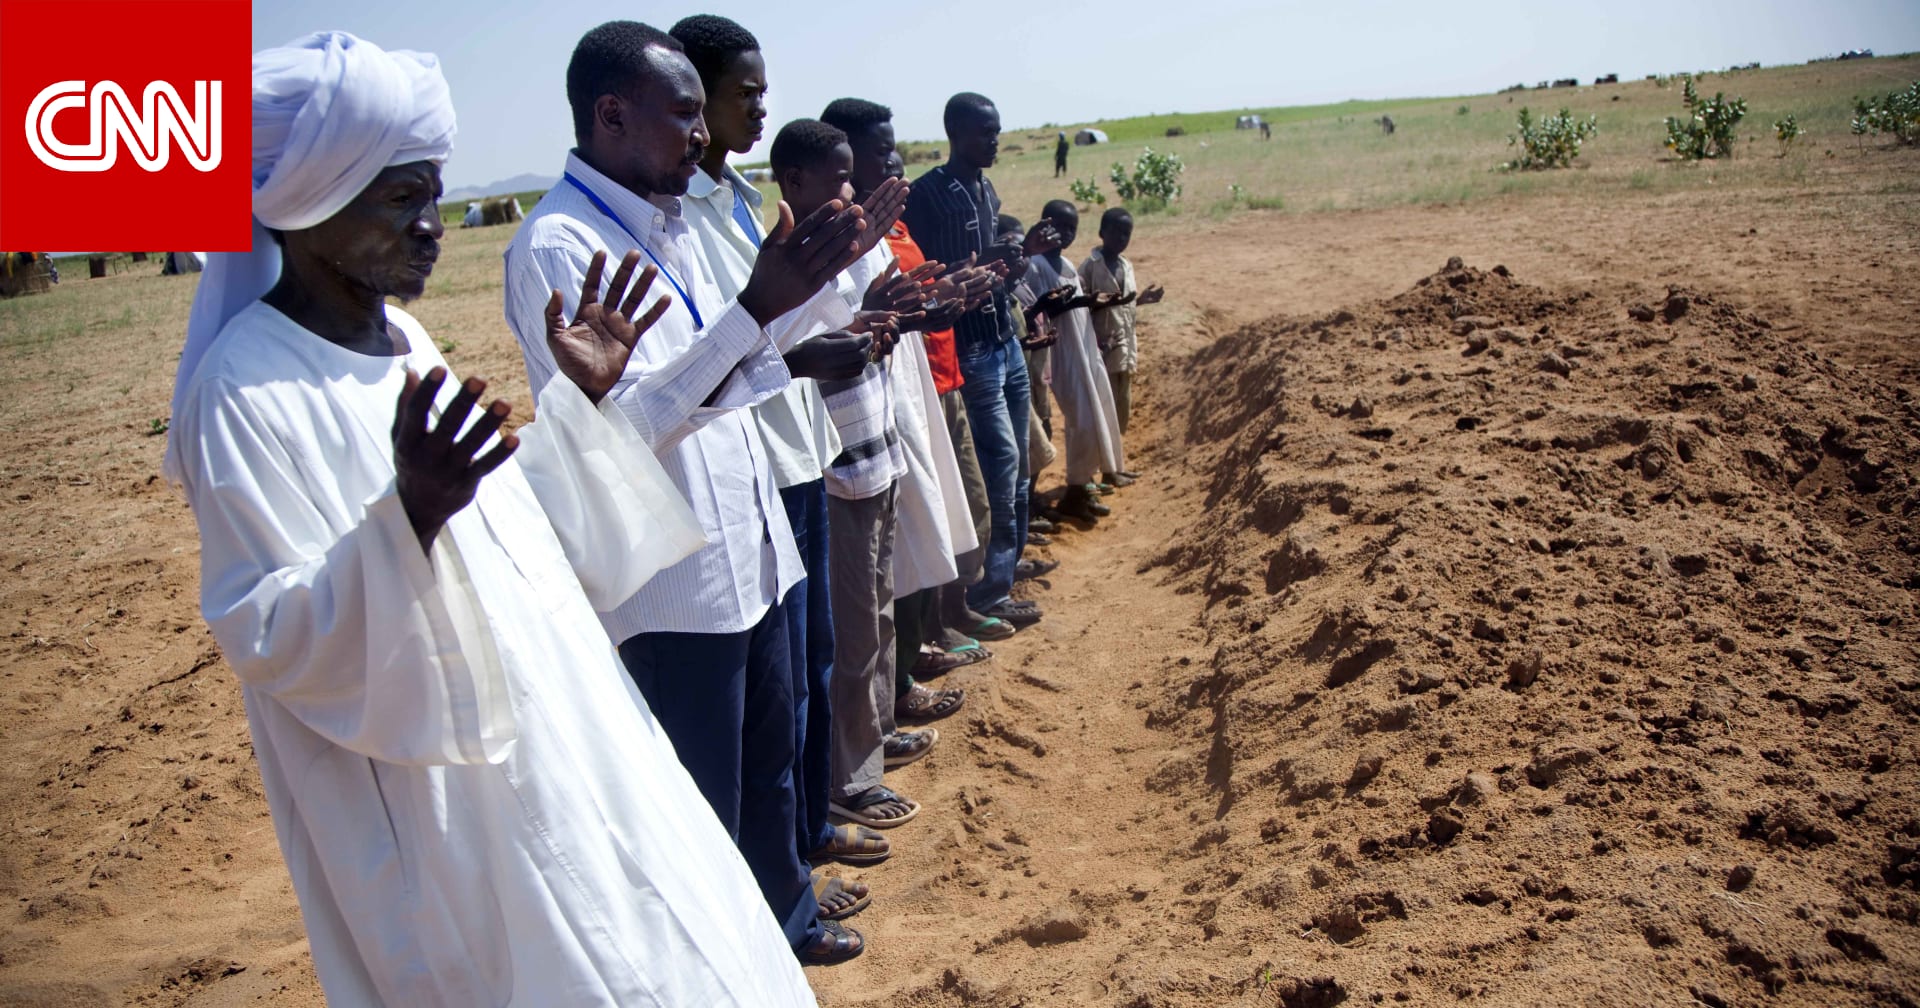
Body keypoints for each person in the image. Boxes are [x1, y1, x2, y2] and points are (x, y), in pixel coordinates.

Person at [163, 31, 816, 1005]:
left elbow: (518, 542)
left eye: (434, 192)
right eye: (402, 198)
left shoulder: (404, 338)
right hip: (442, 796)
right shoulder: (244, 387)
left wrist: (580, 412)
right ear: (308, 205)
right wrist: (406, 522)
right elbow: (272, 635)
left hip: (566, 729)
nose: (433, 223)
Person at [503, 20, 881, 966]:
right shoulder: (558, 246)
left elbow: (738, 369)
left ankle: (780, 928)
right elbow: (616, 433)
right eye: (683, 115)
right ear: (611, 115)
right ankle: (717, 964)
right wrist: (758, 311)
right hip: (673, 583)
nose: (702, 135)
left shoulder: (669, 221)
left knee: (770, 771)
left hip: (751, 544)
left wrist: (795, 295)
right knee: (701, 793)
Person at [667, 13, 887, 921]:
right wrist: (804, 349)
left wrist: (861, 314)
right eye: (742, 95)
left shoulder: (740, 202)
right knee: (763, 706)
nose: (759, 109)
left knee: (803, 675)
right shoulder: (681, 215)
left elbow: (770, 327)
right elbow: (734, 345)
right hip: (747, 464)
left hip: (788, 453)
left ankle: (797, 851)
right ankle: (777, 892)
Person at [769, 117, 937, 831]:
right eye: (838, 177)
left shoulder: (853, 252)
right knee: (848, 632)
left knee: (877, 609)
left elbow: (873, 329)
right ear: (794, 182)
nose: (850, 189)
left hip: (875, 443)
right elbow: (785, 350)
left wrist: (903, 308)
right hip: (833, 463)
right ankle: (849, 778)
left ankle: (872, 740)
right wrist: (866, 312)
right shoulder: (783, 261)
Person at [820, 98, 988, 717]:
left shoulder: (886, 226)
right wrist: (921, 307)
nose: (893, 158)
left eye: (895, 146)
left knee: (921, 531)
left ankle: (908, 669)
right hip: (869, 414)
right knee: (889, 560)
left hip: (913, 387)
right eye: (878, 149)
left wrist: (937, 300)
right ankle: (893, 693)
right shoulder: (839, 233)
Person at [900, 93, 1056, 630]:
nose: (993, 141)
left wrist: (1017, 259)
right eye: (983, 132)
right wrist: (977, 268)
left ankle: (1004, 570)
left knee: (1014, 469)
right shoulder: (926, 196)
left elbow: (994, 275)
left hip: (1004, 339)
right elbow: (922, 277)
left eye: (996, 131)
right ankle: (988, 589)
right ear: (955, 133)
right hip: (968, 348)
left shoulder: (986, 190)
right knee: (998, 465)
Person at [1018, 200, 1128, 521]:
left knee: (1095, 414)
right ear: (1043, 225)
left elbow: (1068, 303)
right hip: (1059, 351)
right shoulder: (1036, 265)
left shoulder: (1065, 264)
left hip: (1083, 347)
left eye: (1072, 229)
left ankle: (1084, 486)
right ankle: (1073, 492)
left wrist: (1088, 301)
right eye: (1060, 226)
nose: (1065, 234)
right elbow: (1037, 310)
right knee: (1080, 421)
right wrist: (1069, 304)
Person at [1080, 206, 1164, 476]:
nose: (1121, 238)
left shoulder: (1127, 265)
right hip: (1103, 350)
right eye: (1116, 232)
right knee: (1104, 411)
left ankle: (1114, 465)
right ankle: (1105, 469)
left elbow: (1124, 307)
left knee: (1120, 410)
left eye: (1126, 234)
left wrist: (1142, 301)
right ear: (1102, 233)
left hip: (1125, 349)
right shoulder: (1091, 266)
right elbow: (1082, 306)